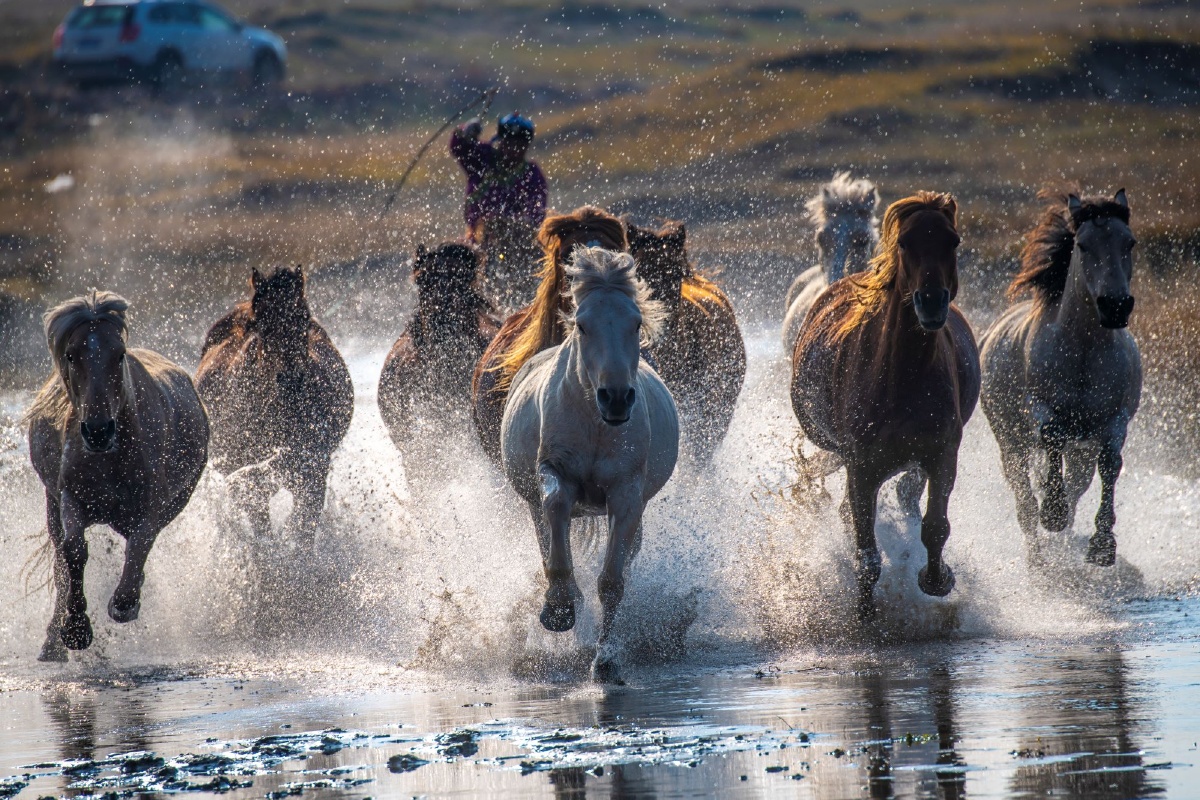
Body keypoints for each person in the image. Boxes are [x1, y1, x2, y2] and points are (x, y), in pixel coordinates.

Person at [449, 113, 548, 243]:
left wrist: (513, 222)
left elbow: (537, 210)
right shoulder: (483, 158)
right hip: (476, 239)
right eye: (509, 143)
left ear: (526, 146)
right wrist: (464, 132)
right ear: (500, 141)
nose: (514, 149)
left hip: (517, 241)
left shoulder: (532, 174)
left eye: (519, 145)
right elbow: (459, 148)